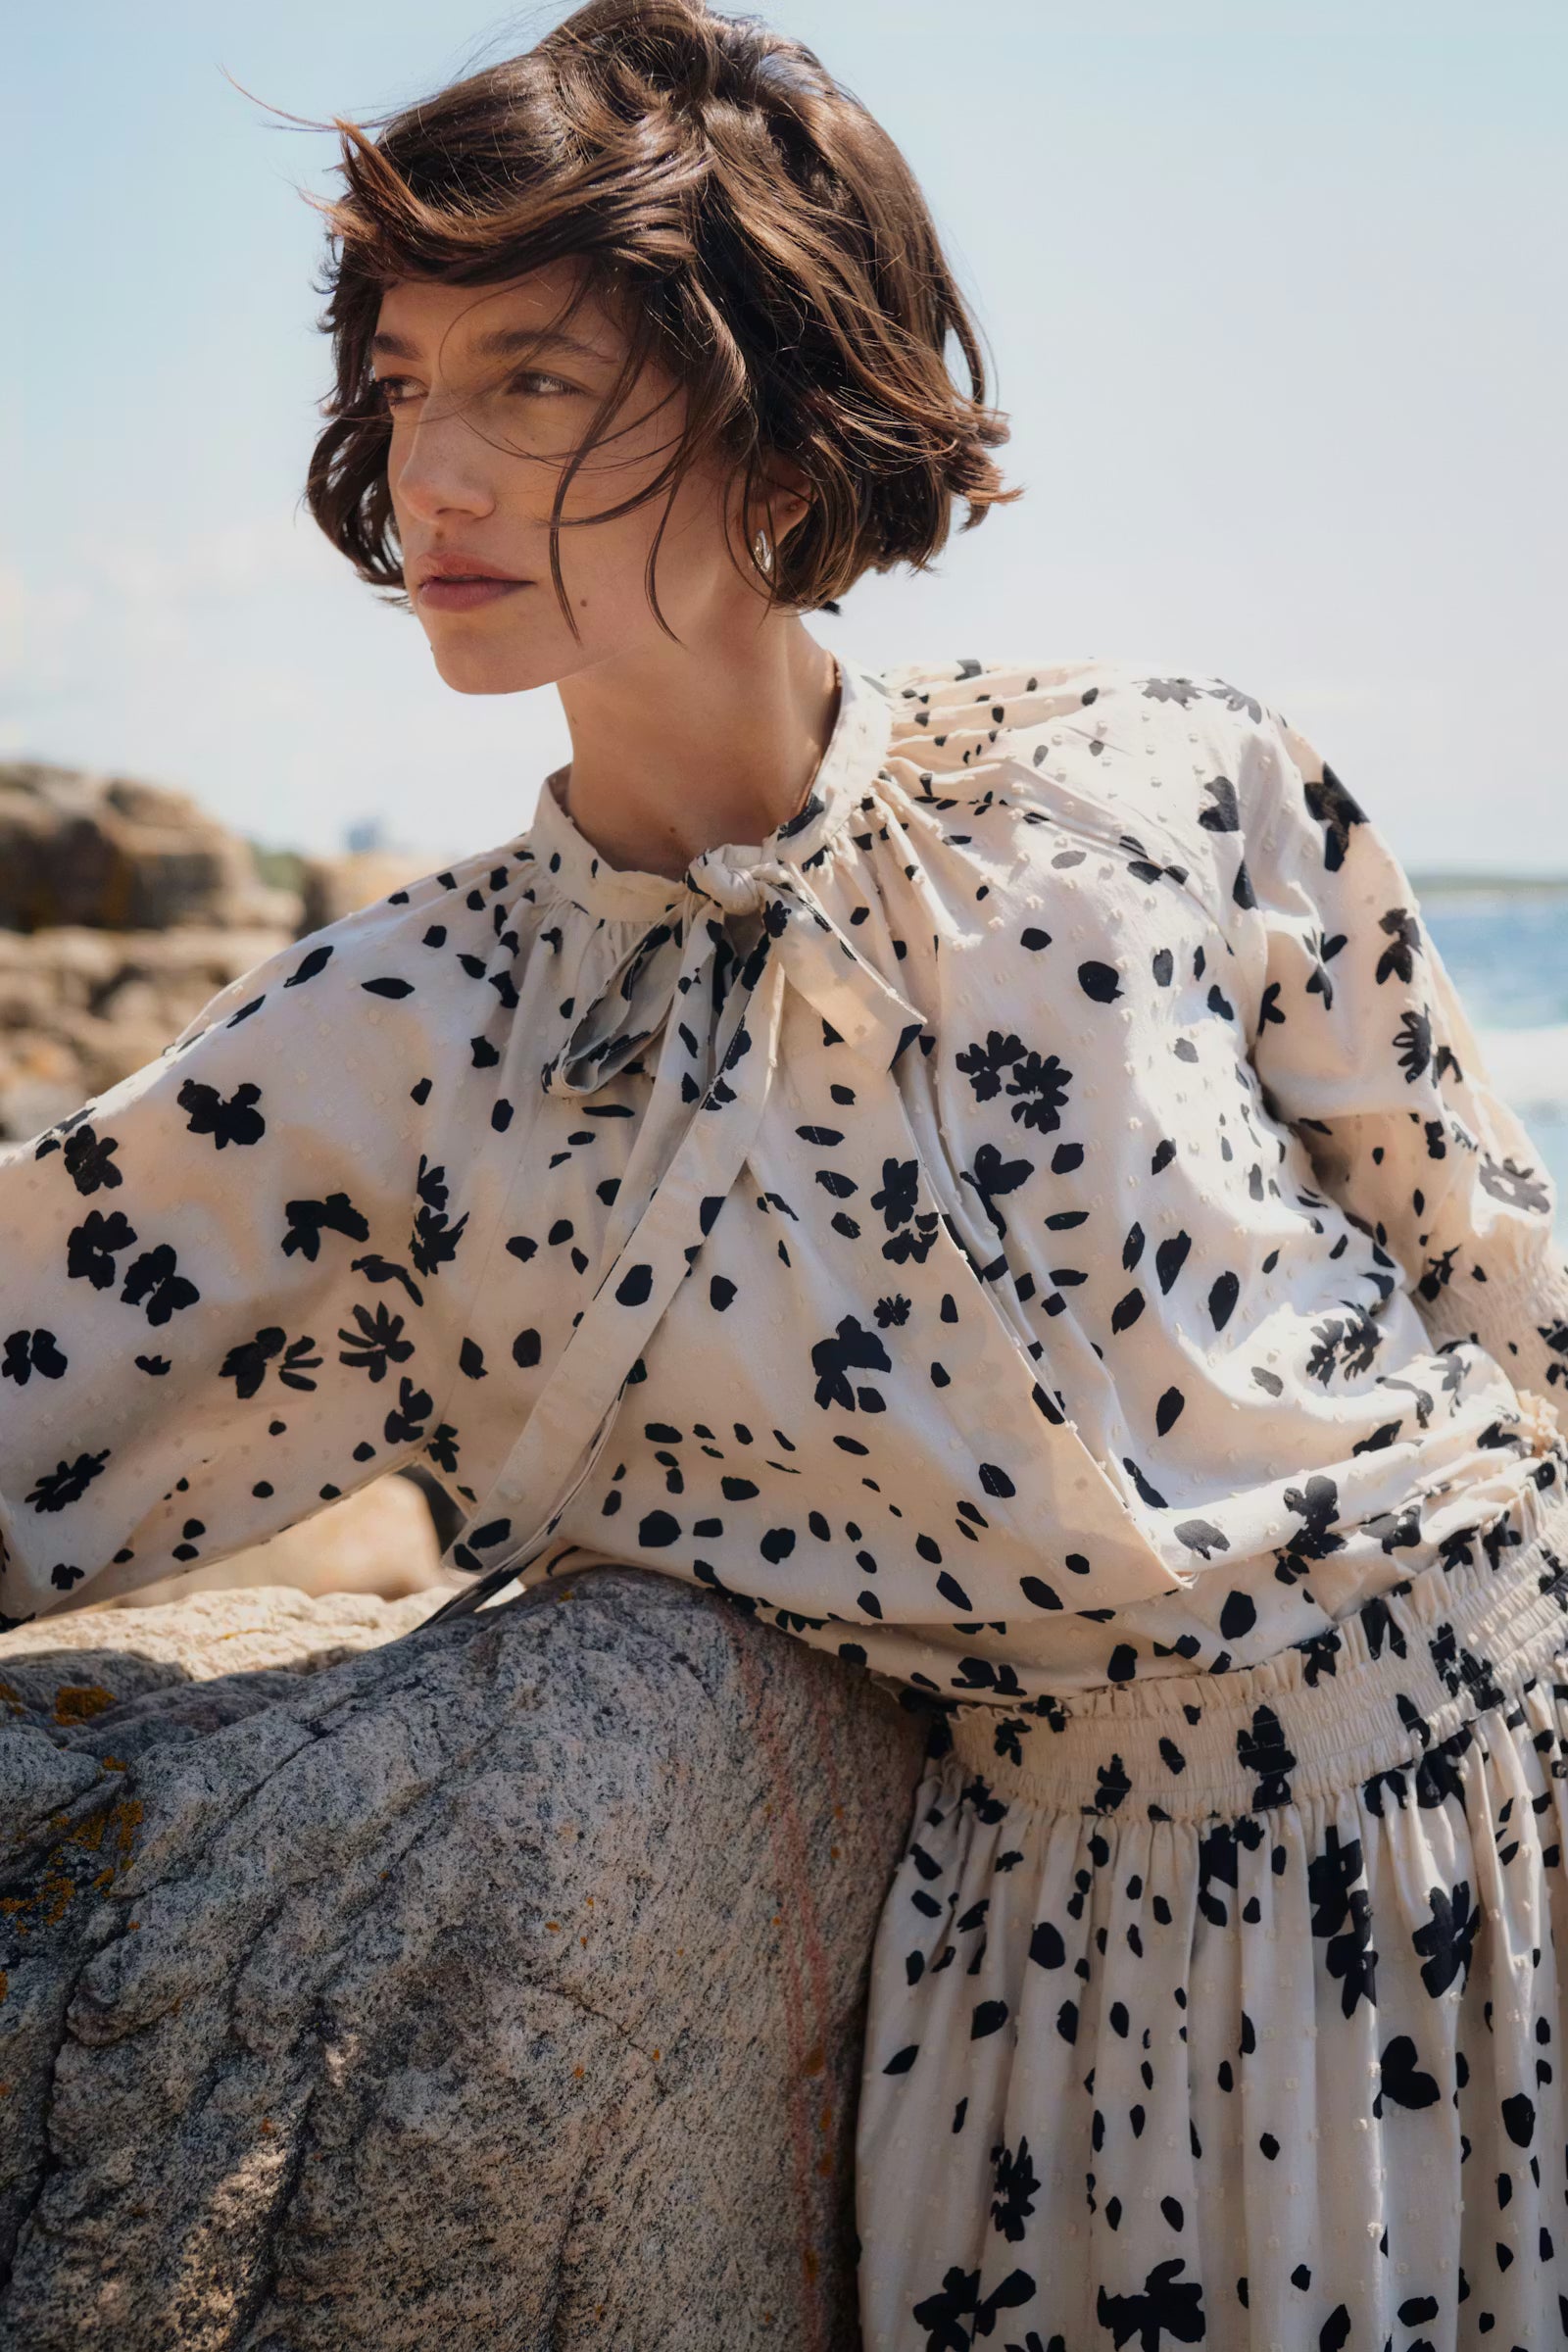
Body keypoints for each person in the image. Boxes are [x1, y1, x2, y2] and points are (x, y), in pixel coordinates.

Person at [5, 2, 1568, 2341]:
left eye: (530, 383)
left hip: (1522, 1799)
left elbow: (1489, 1260)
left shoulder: (1160, 771)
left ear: (774, 401)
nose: (429, 467)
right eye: (406, 381)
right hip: (1094, 2016)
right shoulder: (405, 1044)